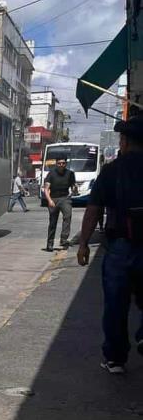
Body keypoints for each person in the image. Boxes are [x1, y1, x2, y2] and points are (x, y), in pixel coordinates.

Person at [78, 115, 143, 375]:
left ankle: (115, 358)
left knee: (116, 304)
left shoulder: (112, 170)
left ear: (124, 141)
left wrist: (83, 243)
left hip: (120, 247)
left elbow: (93, 210)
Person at [43, 156, 78, 251]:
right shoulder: (51, 174)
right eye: (59, 163)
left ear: (66, 164)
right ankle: (50, 244)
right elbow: (46, 189)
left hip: (65, 198)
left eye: (63, 163)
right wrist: (49, 200)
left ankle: (64, 239)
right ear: (56, 164)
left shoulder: (70, 174)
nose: (61, 165)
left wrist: (75, 189)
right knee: (52, 223)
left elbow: (73, 187)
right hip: (53, 198)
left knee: (68, 216)